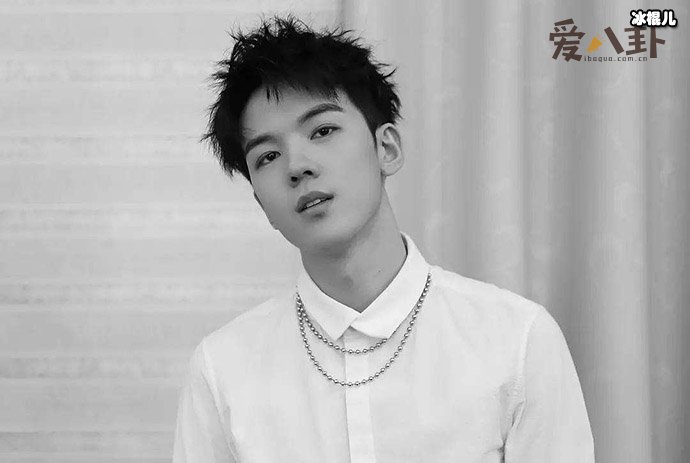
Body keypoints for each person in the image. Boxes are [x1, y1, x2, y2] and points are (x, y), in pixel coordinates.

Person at [172, 16, 594, 463]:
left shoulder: (518, 341)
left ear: (386, 149)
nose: (297, 166)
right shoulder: (221, 370)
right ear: (262, 205)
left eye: (322, 131)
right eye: (268, 155)